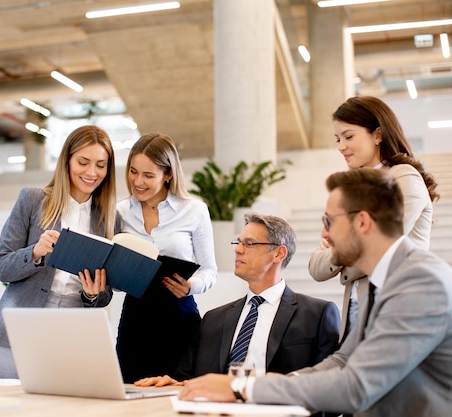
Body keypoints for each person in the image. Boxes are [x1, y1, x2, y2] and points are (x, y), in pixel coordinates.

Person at [180, 168, 452, 417]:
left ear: (362, 222)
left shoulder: (420, 281)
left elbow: (356, 387)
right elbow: (343, 360)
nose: (324, 233)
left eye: (329, 220)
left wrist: (243, 388)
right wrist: (258, 385)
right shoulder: (380, 281)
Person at [135, 213, 340, 386]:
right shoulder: (213, 319)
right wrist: (174, 385)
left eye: (249, 244)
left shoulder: (317, 314)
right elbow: (185, 378)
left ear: (279, 253)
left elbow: (328, 390)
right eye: (238, 242)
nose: (238, 249)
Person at [0, 125, 118, 378]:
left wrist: (93, 295)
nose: (92, 172)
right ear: (66, 161)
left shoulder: (109, 219)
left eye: (101, 165)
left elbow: (104, 295)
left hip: (72, 330)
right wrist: (35, 252)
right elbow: (0, 267)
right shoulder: (33, 200)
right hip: (19, 329)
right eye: (83, 162)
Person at [309, 96, 439, 341]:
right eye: (338, 139)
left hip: (397, 308)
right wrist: (352, 247)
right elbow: (316, 267)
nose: (341, 147)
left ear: (377, 135)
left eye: (348, 137)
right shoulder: (349, 190)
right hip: (356, 311)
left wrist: (341, 248)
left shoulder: (403, 177)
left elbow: (379, 247)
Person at [115, 132, 218, 383]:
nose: (138, 181)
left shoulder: (194, 210)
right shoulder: (120, 211)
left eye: (149, 175)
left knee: (177, 395)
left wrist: (191, 286)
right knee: (130, 395)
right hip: (135, 321)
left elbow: (210, 270)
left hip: (179, 318)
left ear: (168, 174)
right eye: (133, 171)